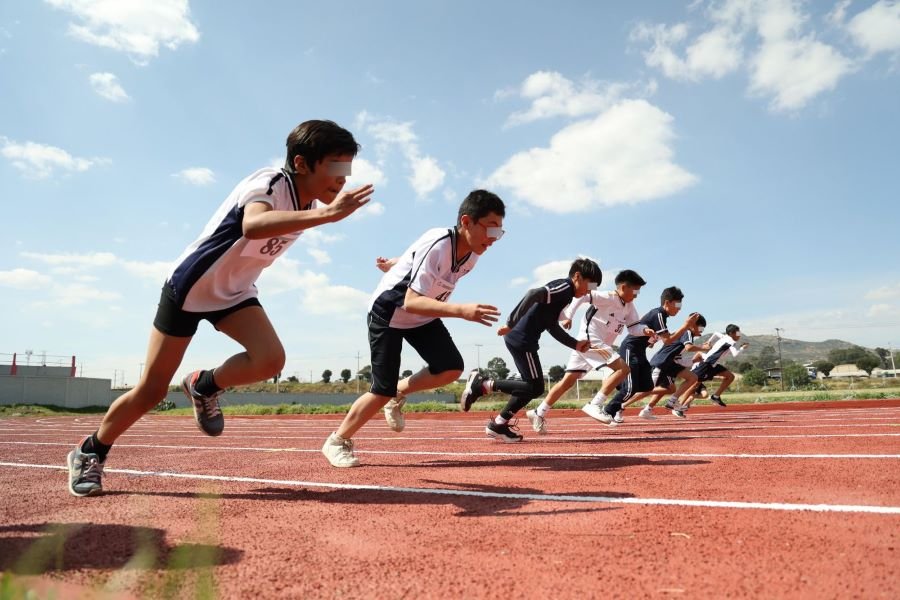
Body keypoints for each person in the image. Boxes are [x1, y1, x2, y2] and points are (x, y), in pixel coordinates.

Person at [67, 120, 373, 496]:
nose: (343, 180)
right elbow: (254, 224)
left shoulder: (308, 203)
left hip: (234, 292)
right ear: (302, 163)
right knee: (150, 391)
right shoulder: (271, 182)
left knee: (270, 360)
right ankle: (90, 450)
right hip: (191, 287)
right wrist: (327, 215)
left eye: (348, 171)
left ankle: (204, 385)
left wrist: (323, 212)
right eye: (335, 168)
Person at [321, 190, 506, 467]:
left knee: (450, 366)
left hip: (421, 315)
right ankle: (337, 440)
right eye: (490, 228)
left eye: (499, 232)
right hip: (389, 313)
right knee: (379, 390)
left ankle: (398, 392)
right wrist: (462, 310)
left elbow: (420, 262)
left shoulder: (472, 255)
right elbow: (411, 299)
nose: (493, 238)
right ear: (466, 222)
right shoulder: (440, 243)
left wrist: (397, 263)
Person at [460, 258, 601, 442]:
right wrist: (511, 323)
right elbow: (534, 293)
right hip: (521, 338)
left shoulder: (565, 296)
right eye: (590, 285)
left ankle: (499, 424)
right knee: (534, 386)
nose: (590, 291)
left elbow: (551, 325)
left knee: (531, 387)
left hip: (522, 339)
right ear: (577, 276)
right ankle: (483, 385)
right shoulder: (565, 287)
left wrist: (575, 344)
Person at [525, 269, 647, 434]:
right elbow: (582, 296)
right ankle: (595, 404)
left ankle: (538, 412)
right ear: (624, 287)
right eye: (636, 290)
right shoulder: (608, 297)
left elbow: (634, 328)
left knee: (567, 381)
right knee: (623, 369)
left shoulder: (629, 307)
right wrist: (568, 315)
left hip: (588, 345)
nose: (637, 295)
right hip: (591, 341)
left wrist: (645, 330)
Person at [583, 286, 699, 425]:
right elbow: (668, 340)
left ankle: (619, 383)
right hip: (630, 349)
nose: (679, 309)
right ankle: (609, 410)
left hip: (640, 352)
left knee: (647, 386)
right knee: (631, 388)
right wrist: (685, 326)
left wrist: (651, 340)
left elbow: (661, 337)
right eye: (677, 305)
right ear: (667, 302)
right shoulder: (659, 314)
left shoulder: (661, 317)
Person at [625, 314, 709, 419]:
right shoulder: (687, 332)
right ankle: (621, 406)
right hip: (662, 363)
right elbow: (689, 347)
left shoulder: (684, 335)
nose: (701, 332)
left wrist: (694, 360)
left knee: (689, 379)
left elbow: (678, 357)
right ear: (693, 325)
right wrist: (703, 348)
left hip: (670, 365)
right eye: (701, 328)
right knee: (648, 389)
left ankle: (660, 405)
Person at [676, 324, 748, 409]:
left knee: (730, 376)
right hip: (707, 363)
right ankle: (679, 405)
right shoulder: (731, 342)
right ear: (732, 333)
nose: (739, 335)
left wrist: (709, 341)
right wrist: (743, 347)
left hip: (714, 364)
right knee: (694, 384)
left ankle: (716, 396)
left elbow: (716, 333)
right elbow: (735, 354)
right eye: (738, 333)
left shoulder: (725, 337)